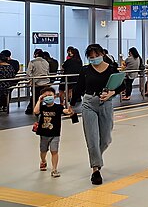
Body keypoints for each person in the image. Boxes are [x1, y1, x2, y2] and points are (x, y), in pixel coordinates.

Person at [71, 44, 125, 185]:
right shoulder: (85, 70)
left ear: (102, 54)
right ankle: (96, 169)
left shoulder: (111, 68)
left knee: (106, 139)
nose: (94, 59)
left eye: (96, 56)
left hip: (106, 103)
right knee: (92, 138)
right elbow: (79, 88)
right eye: (91, 57)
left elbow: (122, 85)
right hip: (89, 103)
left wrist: (112, 93)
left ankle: (97, 158)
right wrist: (71, 105)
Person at [33, 87, 72, 177]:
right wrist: (39, 100)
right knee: (43, 151)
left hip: (55, 134)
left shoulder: (58, 107)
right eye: (45, 96)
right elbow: (36, 111)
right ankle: (43, 161)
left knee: (54, 151)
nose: (48, 97)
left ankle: (54, 169)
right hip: (44, 134)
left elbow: (64, 111)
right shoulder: (42, 107)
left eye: (50, 95)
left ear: (54, 96)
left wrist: (69, 111)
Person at [25, 49, 50, 115]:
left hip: (36, 82)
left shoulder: (32, 62)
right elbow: (47, 72)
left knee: (35, 96)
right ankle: (41, 109)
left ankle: (33, 109)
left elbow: (28, 73)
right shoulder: (46, 62)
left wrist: (31, 80)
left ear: (36, 54)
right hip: (46, 82)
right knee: (43, 96)